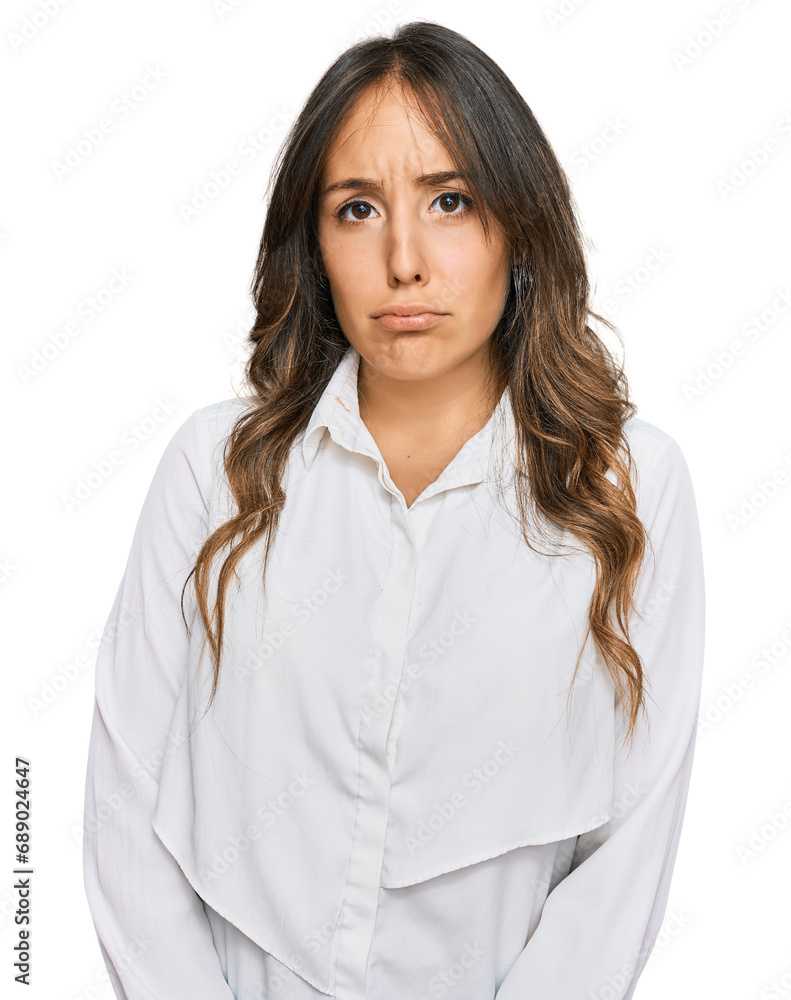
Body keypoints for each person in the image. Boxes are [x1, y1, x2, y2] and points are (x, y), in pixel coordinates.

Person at [81, 19, 706, 1000]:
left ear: (518, 224)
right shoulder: (214, 466)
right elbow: (127, 806)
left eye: (449, 200)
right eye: (357, 209)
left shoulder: (628, 488)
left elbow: (622, 864)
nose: (403, 260)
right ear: (314, 240)